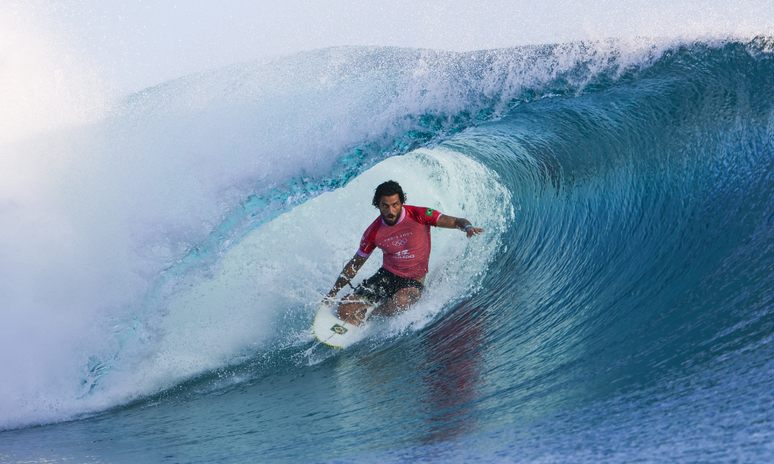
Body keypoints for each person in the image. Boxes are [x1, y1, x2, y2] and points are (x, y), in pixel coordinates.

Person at [325, 180, 484, 325]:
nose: (390, 211)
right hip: (387, 276)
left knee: (401, 301)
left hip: (413, 281)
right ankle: (361, 314)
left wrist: (467, 228)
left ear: (401, 203)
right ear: (378, 205)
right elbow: (354, 265)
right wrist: (333, 292)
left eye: (395, 204)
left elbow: (456, 221)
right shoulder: (373, 232)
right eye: (385, 206)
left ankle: (373, 314)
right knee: (344, 309)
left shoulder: (419, 215)